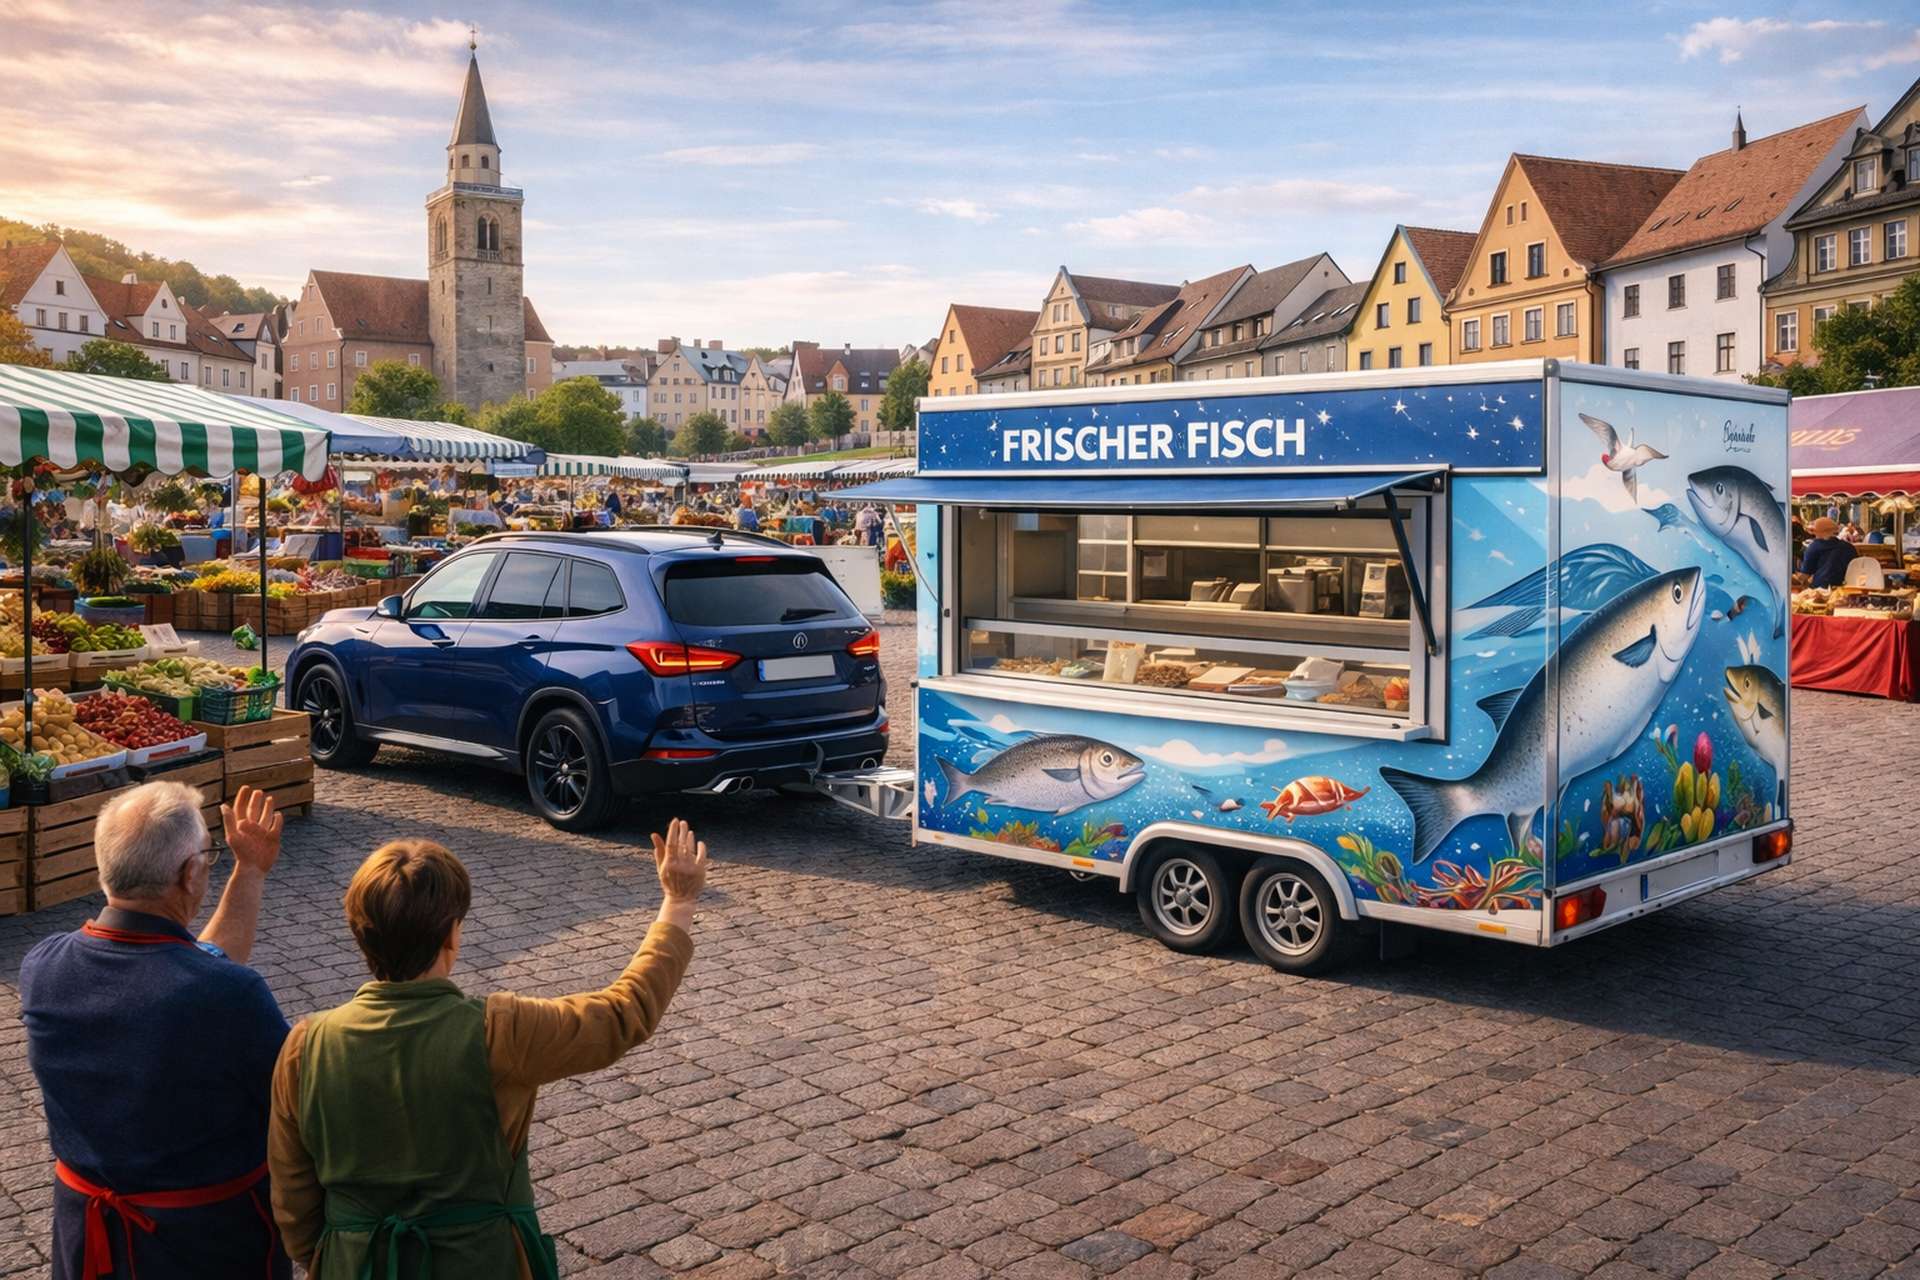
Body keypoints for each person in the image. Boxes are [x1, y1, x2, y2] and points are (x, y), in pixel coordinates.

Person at [269, 821, 706, 1279]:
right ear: (451, 936)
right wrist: (678, 902)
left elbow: (293, 1199)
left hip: (353, 1264)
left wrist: (337, 1254)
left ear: (360, 934)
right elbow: (623, 1012)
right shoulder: (500, 1030)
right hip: (480, 1261)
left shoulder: (305, 1046)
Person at [20, 784, 291, 1280]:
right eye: (208, 856)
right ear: (190, 874)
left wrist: (249, 871)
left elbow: (196, 964)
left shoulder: (43, 967)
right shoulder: (227, 995)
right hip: (207, 1246)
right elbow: (295, 1107)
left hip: (87, 1243)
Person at [1800, 516, 1856, 587]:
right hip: (1846, 587)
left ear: (1817, 532)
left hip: (1820, 588)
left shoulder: (1814, 547)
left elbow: (1805, 575)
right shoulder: (1849, 547)